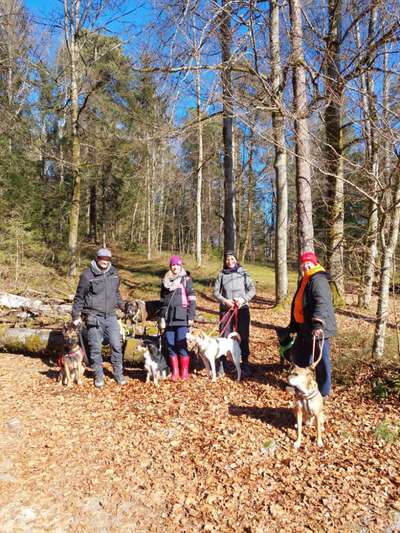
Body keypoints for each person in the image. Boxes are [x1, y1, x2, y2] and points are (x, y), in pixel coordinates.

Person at [71, 247, 127, 388]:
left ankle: (118, 374)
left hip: (111, 317)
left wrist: (124, 307)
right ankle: (99, 376)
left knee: (116, 345)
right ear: (97, 258)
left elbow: (116, 294)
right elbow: (79, 297)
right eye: (102, 258)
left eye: (107, 259)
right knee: (95, 348)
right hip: (93, 317)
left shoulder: (114, 274)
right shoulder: (87, 275)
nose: (105, 261)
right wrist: (75, 316)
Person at [286, 251, 337, 397]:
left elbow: (322, 302)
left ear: (315, 263)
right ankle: (301, 385)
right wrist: (295, 324)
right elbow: (300, 302)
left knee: (321, 361)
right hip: (305, 326)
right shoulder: (306, 279)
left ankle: (324, 391)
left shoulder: (318, 279)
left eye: (308, 263)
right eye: (303, 264)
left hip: (318, 328)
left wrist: (318, 324)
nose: (305, 266)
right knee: (298, 355)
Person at [213, 250, 256, 377]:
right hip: (226, 310)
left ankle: (245, 363)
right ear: (225, 261)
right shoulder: (221, 274)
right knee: (224, 336)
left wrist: (242, 299)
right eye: (227, 259)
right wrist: (225, 301)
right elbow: (215, 292)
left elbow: (252, 290)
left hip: (242, 309)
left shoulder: (244, 273)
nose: (230, 261)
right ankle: (222, 364)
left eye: (232, 259)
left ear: (236, 260)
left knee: (243, 336)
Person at [160, 255, 196, 381]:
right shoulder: (165, 280)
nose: (175, 267)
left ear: (181, 266)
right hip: (169, 318)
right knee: (170, 345)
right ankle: (175, 371)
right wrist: (162, 318)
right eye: (173, 265)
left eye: (177, 265)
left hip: (182, 317)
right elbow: (163, 301)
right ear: (170, 266)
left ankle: (184, 371)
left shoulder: (186, 279)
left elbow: (192, 299)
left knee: (181, 344)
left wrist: (191, 316)